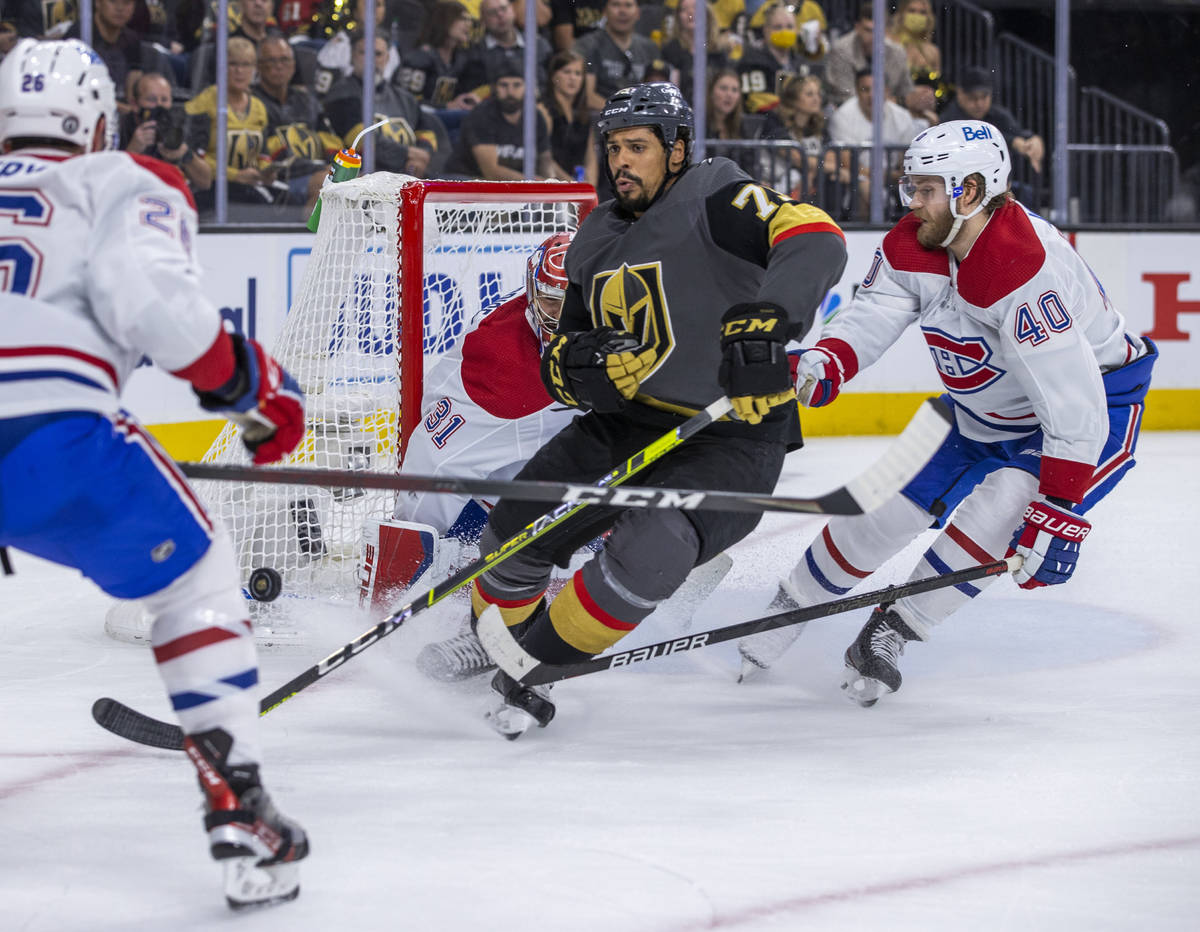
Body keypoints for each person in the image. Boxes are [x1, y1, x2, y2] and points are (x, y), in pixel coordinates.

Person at [426, 82, 847, 737]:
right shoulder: (595, 235)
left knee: (653, 545)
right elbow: (562, 353)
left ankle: (532, 666)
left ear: (677, 150)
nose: (622, 162)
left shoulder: (717, 193)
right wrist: (579, 368)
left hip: (731, 435)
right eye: (614, 148)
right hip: (624, 424)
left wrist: (767, 325)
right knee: (511, 530)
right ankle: (491, 640)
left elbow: (817, 238)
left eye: (639, 148)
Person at [0, 38, 309, 908]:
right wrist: (258, 387)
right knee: (198, 583)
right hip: (49, 437)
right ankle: (241, 811)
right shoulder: (120, 179)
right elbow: (158, 308)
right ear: (97, 121)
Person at [737, 120, 1157, 707]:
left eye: (927, 189)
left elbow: (1072, 402)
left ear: (972, 190)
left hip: (1092, 412)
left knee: (1002, 509)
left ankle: (893, 630)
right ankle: (787, 609)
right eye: (912, 186)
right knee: (885, 511)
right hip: (979, 407)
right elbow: (877, 310)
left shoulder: (1020, 268)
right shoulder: (917, 241)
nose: (913, 201)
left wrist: (1058, 507)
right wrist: (831, 357)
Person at [363, 234, 583, 632]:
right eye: (551, 300)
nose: (560, 314)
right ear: (533, 289)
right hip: (484, 411)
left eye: (572, 302)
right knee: (427, 495)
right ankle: (391, 605)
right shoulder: (504, 370)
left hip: (541, 408)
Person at [323, 32, 446, 178]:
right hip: (366, 177)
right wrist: (408, 154)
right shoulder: (341, 94)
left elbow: (427, 132)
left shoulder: (405, 98)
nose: (371, 60)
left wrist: (421, 158)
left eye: (378, 54)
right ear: (352, 56)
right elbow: (364, 142)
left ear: (387, 58)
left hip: (409, 173)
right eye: (364, 53)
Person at [185, 36, 281, 210]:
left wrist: (265, 172)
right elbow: (194, 158)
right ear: (221, 67)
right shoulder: (203, 104)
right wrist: (235, 175)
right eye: (233, 64)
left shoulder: (259, 107)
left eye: (246, 65)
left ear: (255, 70)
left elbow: (263, 155)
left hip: (251, 188)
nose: (239, 71)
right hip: (211, 190)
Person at [828, 67, 918, 219]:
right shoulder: (842, 116)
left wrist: (893, 176)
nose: (871, 95)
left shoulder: (902, 117)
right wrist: (889, 176)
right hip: (857, 182)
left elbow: (908, 165)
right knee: (866, 188)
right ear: (856, 91)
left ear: (888, 91)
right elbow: (849, 163)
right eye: (865, 89)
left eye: (877, 89)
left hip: (895, 182)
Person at [443, 65, 560, 180]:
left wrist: (557, 183)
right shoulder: (481, 115)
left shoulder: (534, 117)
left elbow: (545, 159)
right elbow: (491, 172)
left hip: (513, 185)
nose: (510, 92)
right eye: (504, 85)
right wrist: (537, 183)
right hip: (466, 181)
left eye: (517, 85)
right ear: (494, 88)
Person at [121, 71, 214, 195]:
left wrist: (185, 155)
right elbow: (107, 183)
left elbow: (206, 182)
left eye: (164, 100)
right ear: (135, 104)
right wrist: (133, 151)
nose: (159, 105)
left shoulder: (181, 124)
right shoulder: (120, 126)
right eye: (151, 99)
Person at [941, 66, 1045, 175]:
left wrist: (1033, 140)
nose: (979, 103)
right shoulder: (948, 119)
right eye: (973, 97)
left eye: (984, 97)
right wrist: (1013, 142)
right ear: (959, 93)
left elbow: (1019, 133)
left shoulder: (999, 114)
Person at [823, 1, 917, 111]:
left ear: (887, 30)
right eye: (868, 30)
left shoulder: (897, 52)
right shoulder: (841, 51)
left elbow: (906, 92)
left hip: (890, 113)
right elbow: (845, 97)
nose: (874, 37)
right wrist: (890, 102)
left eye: (879, 31)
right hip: (848, 114)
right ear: (857, 27)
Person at [573, 0, 660, 111]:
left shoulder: (650, 49)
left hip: (641, 119)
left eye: (628, 5)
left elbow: (656, 93)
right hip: (600, 119)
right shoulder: (587, 45)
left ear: (638, 13)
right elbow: (587, 97)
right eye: (616, 5)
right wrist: (624, 112)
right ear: (604, 12)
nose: (622, 11)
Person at [457, 0, 553, 100]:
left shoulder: (539, 45)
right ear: (483, 20)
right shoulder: (474, 55)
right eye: (492, 12)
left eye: (503, 9)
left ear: (512, 10)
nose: (500, 15)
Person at [394, 0, 479, 110]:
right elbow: (404, 102)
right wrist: (446, 106)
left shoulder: (461, 59)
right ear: (444, 21)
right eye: (462, 19)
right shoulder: (418, 59)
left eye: (469, 20)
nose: (469, 24)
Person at [539, 49, 599, 185]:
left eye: (578, 74)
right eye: (567, 72)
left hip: (576, 185)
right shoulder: (544, 109)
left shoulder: (583, 114)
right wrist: (570, 184)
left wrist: (591, 188)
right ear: (554, 76)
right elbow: (543, 156)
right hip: (551, 184)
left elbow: (590, 158)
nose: (572, 78)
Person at [886, 0, 946, 117]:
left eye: (922, 12)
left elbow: (938, 90)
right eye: (911, 11)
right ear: (902, 13)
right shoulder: (888, 43)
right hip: (892, 109)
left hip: (923, 113)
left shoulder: (933, 51)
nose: (916, 16)